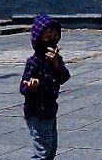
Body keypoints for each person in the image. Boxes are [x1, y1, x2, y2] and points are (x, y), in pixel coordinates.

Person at [20, 14, 71, 160]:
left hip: (50, 110)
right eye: (47, 38)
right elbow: (22, 88)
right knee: (42, 151)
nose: (52, 41)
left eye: (55, 37)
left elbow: (64, 77)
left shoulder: (54, 59)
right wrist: (30, 86)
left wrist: (57, 64)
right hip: (36, 111)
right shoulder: (34, 62)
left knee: (51, 149)